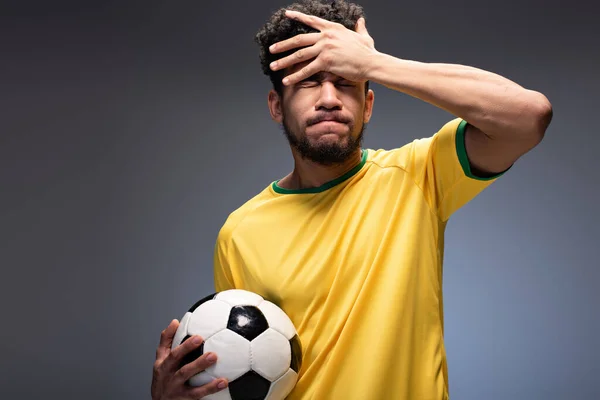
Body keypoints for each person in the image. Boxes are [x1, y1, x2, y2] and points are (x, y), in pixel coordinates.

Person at [151, 1, 553, 399]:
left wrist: (376, 64)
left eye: (346, 82)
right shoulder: (239, 232)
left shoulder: (418, 175)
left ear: (368, 105)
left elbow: (529, 117)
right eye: (309, 81)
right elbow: (239, 374)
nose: (329, 98)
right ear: (277, 106)